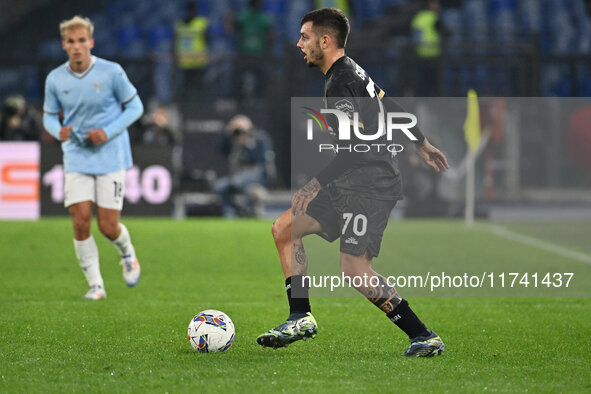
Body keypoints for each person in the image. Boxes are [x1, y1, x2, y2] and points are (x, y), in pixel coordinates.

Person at [256, 8, 449, 357]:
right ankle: (300, 315)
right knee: (285, 228)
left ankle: (424, 335)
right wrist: (419, 141)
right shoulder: (350, 70)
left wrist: (312, 184)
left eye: (305, 37)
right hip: (349, 181)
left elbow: (352, 151)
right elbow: (387, 103)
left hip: (369, 185)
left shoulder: (340, 82)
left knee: (355, 270)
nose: (299, 43)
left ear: (325, 40)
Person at [42, 15, 144, 300]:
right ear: (64, 45)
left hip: (110, 155)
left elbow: (135, 107)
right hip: (76, 155)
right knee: (80, 221)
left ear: (91, 42)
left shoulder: (112, 72)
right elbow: (50, 116)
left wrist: (107, 131)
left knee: (108, 227)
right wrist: (57, 131)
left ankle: (127, 253)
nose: (77, 46)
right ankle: (96, 285)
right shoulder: (55, 79)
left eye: (81, 41)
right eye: (71, 42)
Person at [214, 114, 275, 217]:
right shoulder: (234, 140)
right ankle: (231, 211)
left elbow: (260, 159)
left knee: (240, 182)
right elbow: (220, 149)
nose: (240, 134)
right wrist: (227, 132)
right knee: (220, 186)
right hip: (237, 177)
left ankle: (249, 211)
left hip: (258, 177)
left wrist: (247, 144)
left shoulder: (260, 139)